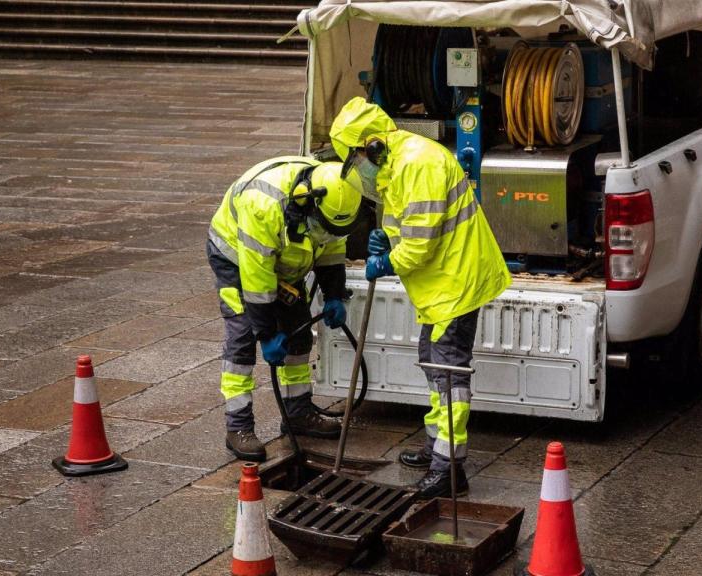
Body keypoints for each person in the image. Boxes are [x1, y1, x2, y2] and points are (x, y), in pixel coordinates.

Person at [329, 97, 512, 498]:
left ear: (372, 146)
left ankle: (450, 469)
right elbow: (406, 226)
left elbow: (419, 245)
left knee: (448, 369)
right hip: (441, 282)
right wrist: (384, 239)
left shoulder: (418, 164)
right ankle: (436, 448)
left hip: (456, 280)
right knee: (433, 356)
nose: (357, 171)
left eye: (355, 160)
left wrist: (387, 261)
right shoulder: (395, 169)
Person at [207, 158, 362, 461]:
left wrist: (333, 295)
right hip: (238, 260)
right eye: (323, 226)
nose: (327, 233)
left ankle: (297, 413)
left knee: (299, 335)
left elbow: (330, 246)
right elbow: (257, 280)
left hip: (281, 262)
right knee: (242, 339)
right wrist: (265, 334)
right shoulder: (263, 207)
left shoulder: (334, 195)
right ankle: (238, 427)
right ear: (307, 203)